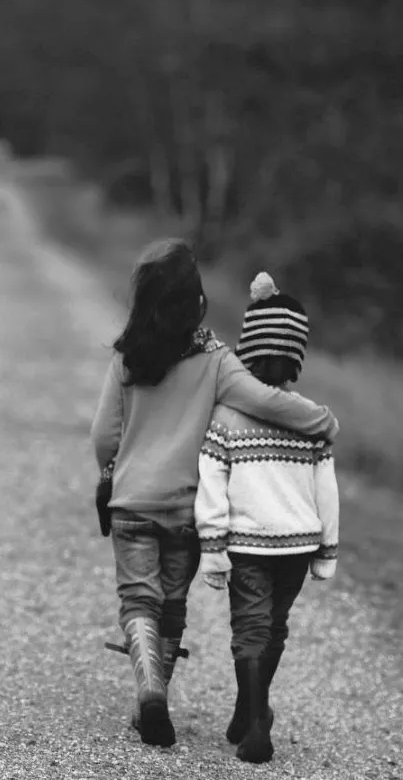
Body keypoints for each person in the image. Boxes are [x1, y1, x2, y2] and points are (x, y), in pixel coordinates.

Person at [91, 242, 339, 750]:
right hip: (185, 508)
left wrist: (112, 473)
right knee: (172, 605)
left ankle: (151, 690)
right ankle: (156, 697)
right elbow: (267, 401)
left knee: (139, 598)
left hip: (132, 503)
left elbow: (103, 435)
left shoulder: (127, 358)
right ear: (196, 302)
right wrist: (323, 421)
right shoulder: (217, 360)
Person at [195, 272, 340, 764]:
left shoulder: (227, 417)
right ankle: (249, 711)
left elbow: (211, 484)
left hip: (248, 543)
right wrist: (328, 549)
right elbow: (327, 490)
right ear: (296, 358)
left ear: (246, 351)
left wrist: (212, 548)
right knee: (274, 627)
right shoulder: (309, 418)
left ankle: (256, 723)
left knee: (250, 629)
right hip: (298, 544)